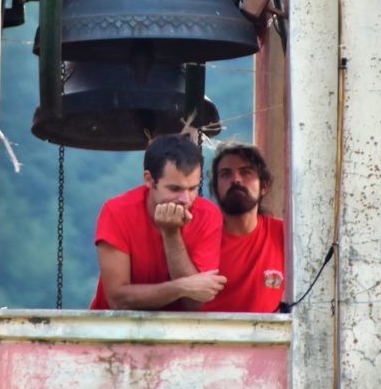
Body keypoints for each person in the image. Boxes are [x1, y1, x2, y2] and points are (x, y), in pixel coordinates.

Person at [90, 133, 227, 310]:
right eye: (174, 189)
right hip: (113, 331)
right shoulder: (116, 211)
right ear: (149, 180)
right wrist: (181, 287)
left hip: (177, 334)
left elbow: (194, 301)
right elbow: (118, 299)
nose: (185, 199)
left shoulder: (208, 215)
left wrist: (171, 234)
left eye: (192, 188)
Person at [201, 140, 285, 313]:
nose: (236, 180)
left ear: (263, 186)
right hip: (206, 337)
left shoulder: (284, 235)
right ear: (215, 188)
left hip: (267, 338)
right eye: (225, 174)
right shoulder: (200, 236)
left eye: (246, 172)